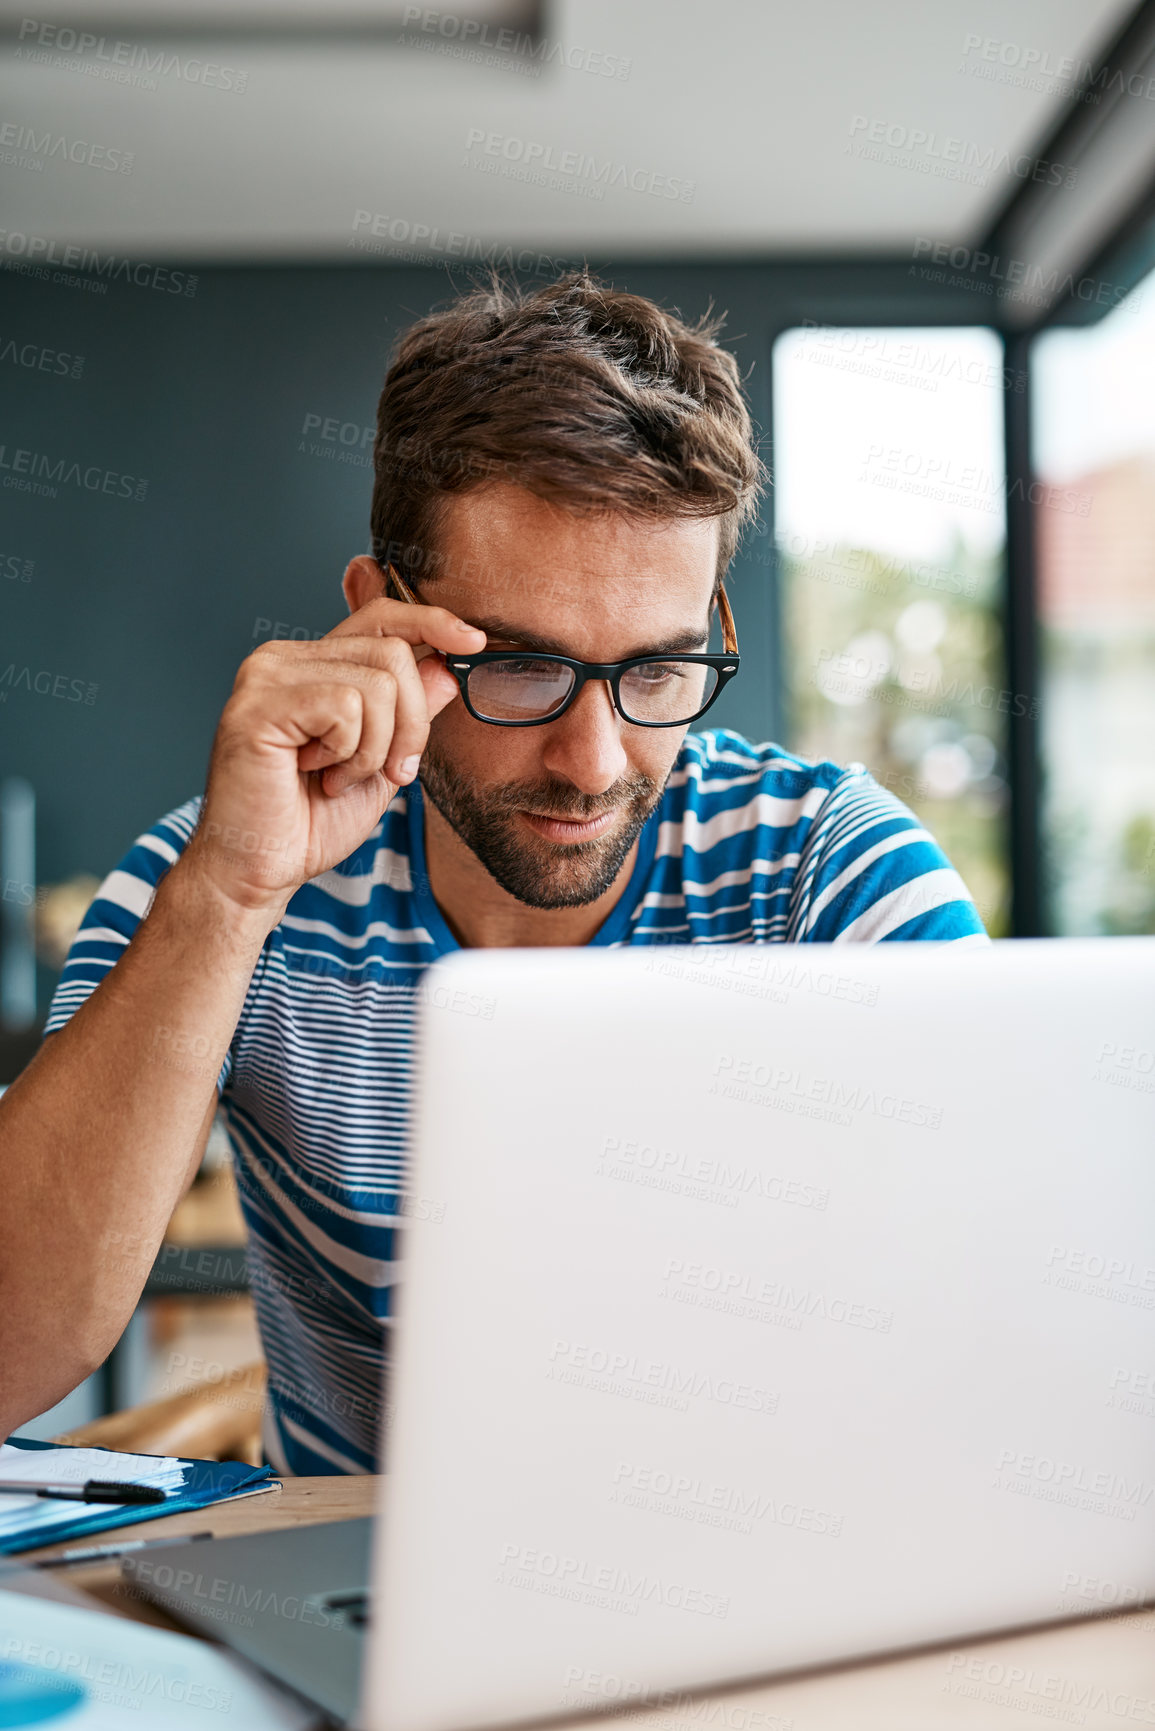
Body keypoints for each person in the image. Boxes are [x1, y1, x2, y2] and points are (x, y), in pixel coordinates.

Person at [0, 272, 987, 1468]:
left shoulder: (823, 870)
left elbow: (1018, 1319)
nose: (594, 760)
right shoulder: (215, 883)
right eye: (520, 670)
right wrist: (228, 897)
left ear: (713, 626)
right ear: (380, 618)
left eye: (657, 673)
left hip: (775, 1582)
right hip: (367, 1599)